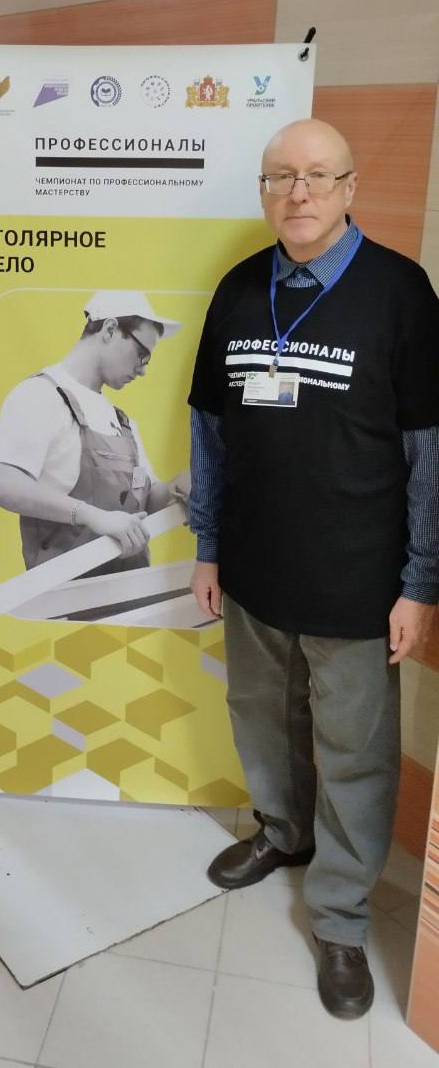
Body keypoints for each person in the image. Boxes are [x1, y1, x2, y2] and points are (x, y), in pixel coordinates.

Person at [187, 118, 439, 1020]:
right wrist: (208, 546)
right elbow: (209, 430)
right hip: (253, 571)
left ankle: (338, 918)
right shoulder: (237, 289)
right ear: (263, 190)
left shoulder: (401, 293)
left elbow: (428, 451)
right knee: (260, 719)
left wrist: (419, 582)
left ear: (349, 187)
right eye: (280, 176)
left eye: (318, 175)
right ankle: (284, 832)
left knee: (356, 754)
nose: (298, 191)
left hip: (357, 582)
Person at [0, 290, 188, 575]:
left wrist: (181, 487)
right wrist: (90, 516)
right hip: (65, 596)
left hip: (128, 590)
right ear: (110, 329)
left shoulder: (122, 421)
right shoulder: (40, 395)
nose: (143, 371)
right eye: (142, 354)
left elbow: (148, 499)